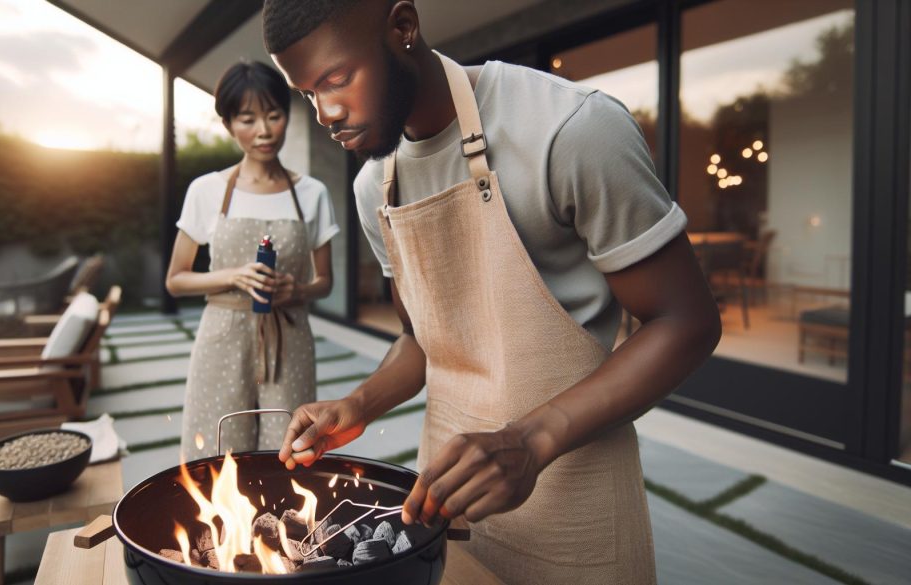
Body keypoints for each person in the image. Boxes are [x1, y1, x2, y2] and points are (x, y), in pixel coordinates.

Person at [264, 1, 721, 583]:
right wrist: (358, 404)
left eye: (336, 78)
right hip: (443, 505)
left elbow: (686, 322)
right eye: (306, 92)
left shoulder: (571, 129)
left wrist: (531, 439)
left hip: (574, 505)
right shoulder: (372, 188)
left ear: (403, 28)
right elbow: (422, 340)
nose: (325, 112)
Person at [166, 60, 339, 463]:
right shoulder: (206, 190)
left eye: (273, 116)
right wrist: (233, 276)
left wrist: (298, 289)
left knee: (290, 450)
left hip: (290, 336)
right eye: (247, 119)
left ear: (287, 116)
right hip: (221, 337)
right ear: (228, 124)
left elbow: (326, 281)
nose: (263, 131)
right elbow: (176, 279)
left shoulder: (312, 192)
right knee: (216, 447)